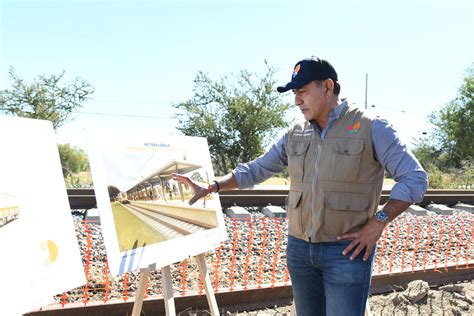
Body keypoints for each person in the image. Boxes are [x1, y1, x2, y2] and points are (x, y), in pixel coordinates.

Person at [173, 57, 428, 316]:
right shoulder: (295, 133)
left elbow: (415, 178)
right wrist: (214, 186)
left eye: (303, 91)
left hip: (346, 251)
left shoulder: (371, 126)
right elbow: (257, 169)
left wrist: (379, 222)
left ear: (327, 87)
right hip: (299, 250)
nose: (296, 100)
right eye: (295, 93)